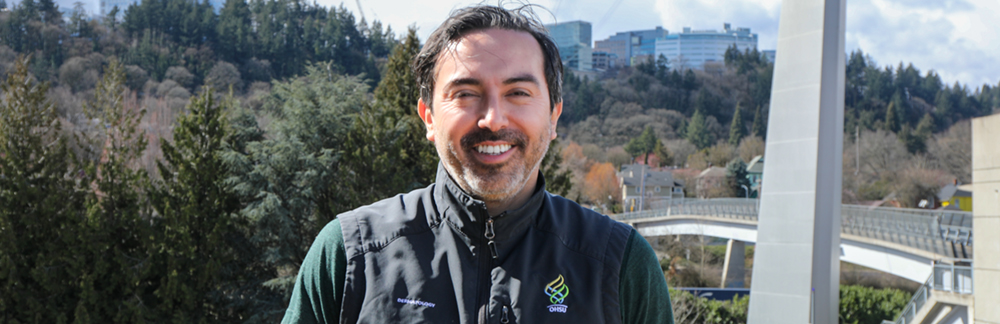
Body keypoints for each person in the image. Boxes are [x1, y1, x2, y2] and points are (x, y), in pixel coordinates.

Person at [282, 4, 673, 324]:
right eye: (466, 93)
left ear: (553, 117)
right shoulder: (351, 256)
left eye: (518, 92)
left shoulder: (618, 264)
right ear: (429, 117)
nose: (493, 119)